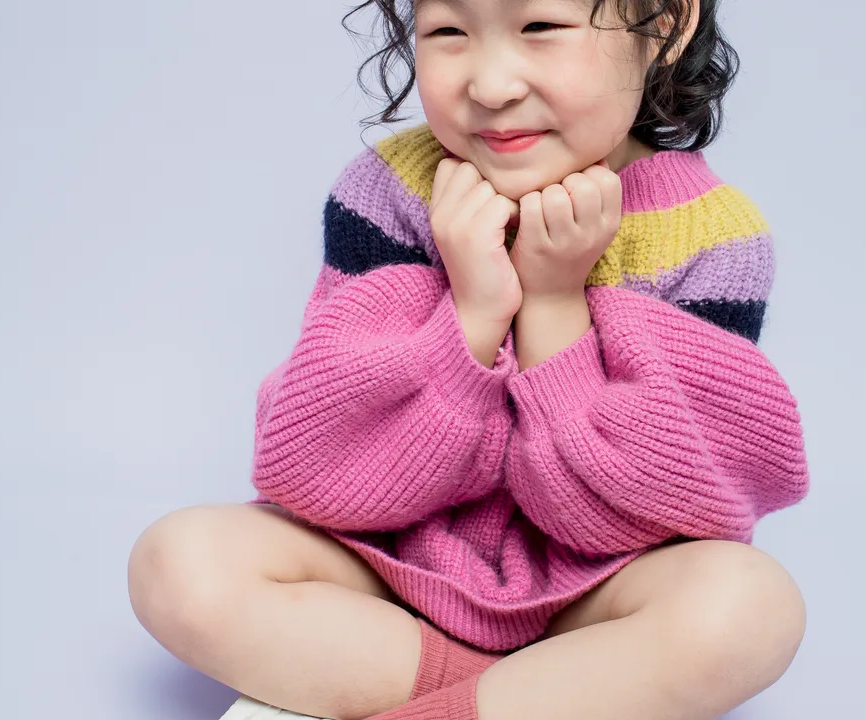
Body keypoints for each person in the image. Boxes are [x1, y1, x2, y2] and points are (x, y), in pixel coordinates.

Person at [128, 1, 811, 718]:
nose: (491, 86)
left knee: (749, 608)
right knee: (179, 562)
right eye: (448, 32)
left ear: (664, 25)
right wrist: (473, 313)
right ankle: (530, 699)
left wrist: (554, 304)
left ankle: (440, 699)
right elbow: (314, 475)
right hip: (388, 580)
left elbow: (651, 516)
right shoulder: (390, 192)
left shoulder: (712, 238)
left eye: (540, 28)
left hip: (597, 598)